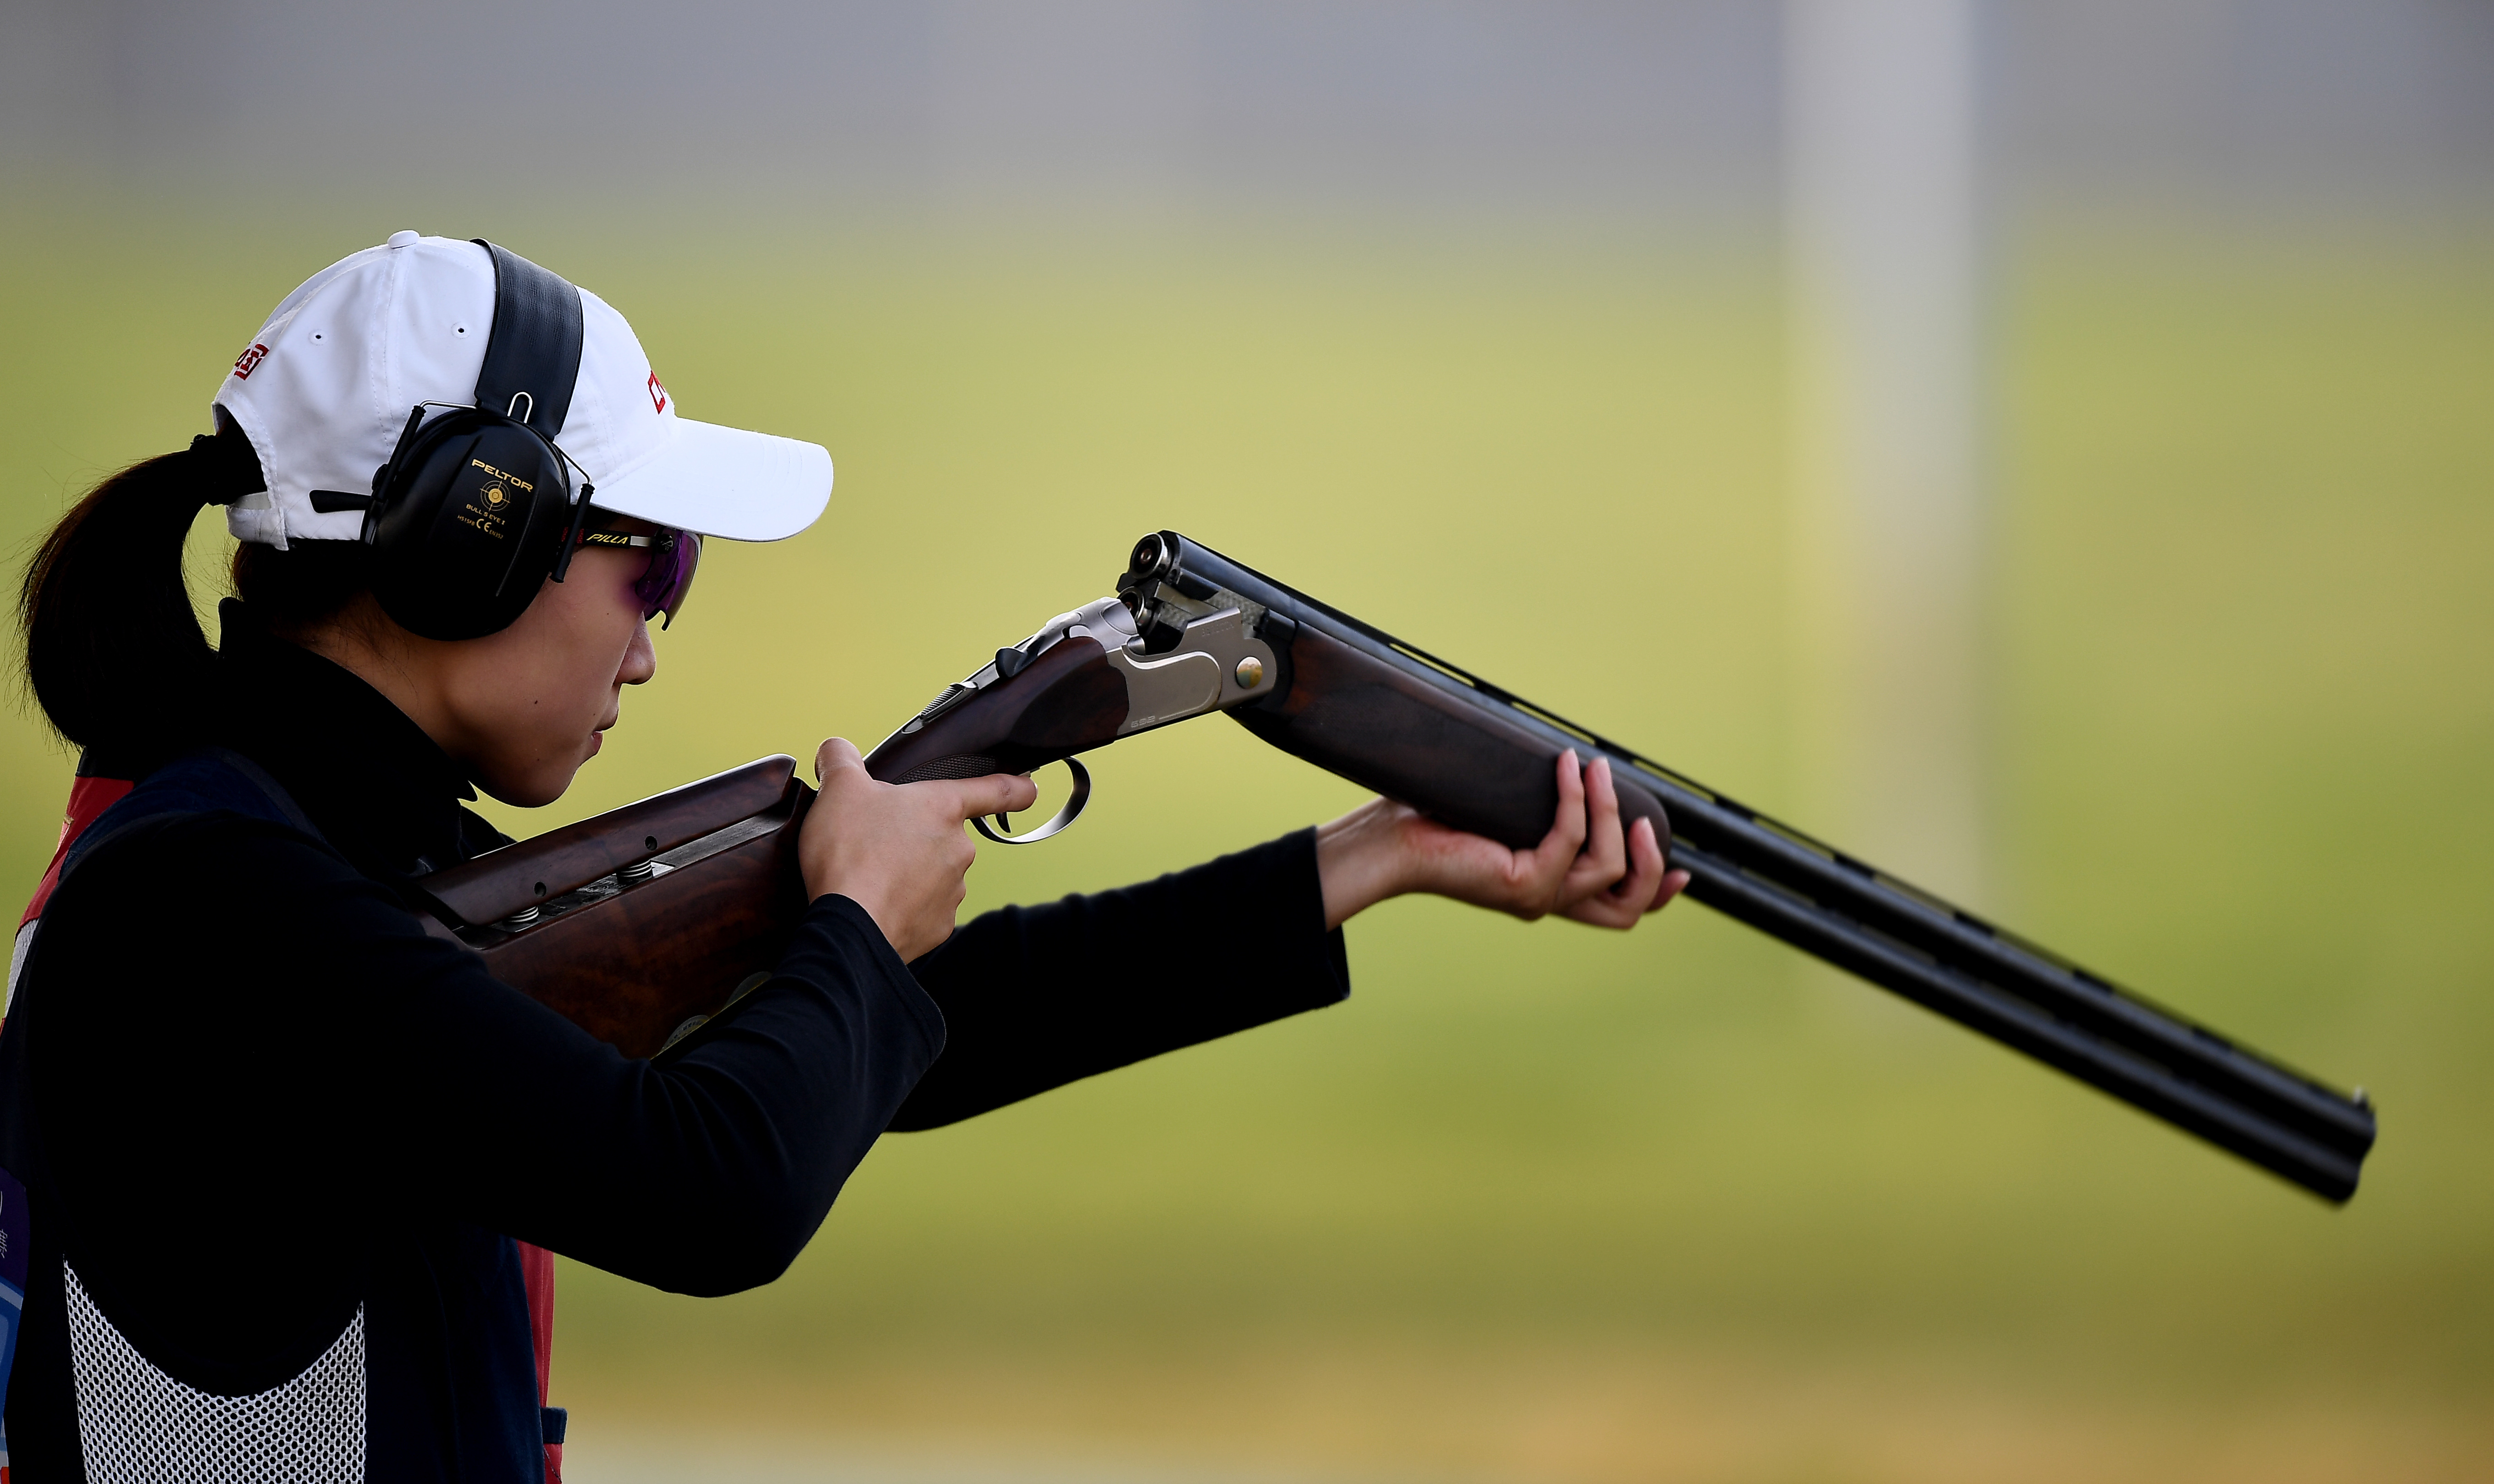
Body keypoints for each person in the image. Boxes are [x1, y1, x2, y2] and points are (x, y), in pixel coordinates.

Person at [0, 234, 1685, 1482]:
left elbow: (897, 1037)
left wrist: (1371, 857)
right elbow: (706, 1184)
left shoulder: (321, 859)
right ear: (473, 541)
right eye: (651, 566)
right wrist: (856, 922)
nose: (650, 640)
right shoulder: (207, 907)